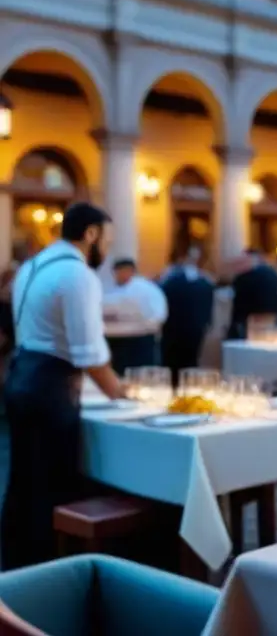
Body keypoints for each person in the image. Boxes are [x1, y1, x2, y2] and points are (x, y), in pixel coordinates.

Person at [1, 202, 125, 570]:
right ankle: (53, 568)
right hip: (51, 389)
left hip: (21, 377)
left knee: (24, 478)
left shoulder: (32, 265)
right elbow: (88, 353)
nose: (108, 249)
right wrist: (120, 393)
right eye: (108, 239)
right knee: (53, 483)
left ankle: (17, 560)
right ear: (91, 234)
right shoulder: (79, 275)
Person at [160, 246, 215, 388]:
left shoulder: (169, 279)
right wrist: (207, 322)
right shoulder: (205, 281)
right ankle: (188, 388)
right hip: (195, 327)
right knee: (190, 360)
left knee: (173, 361)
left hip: (173, 327)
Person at [103, 258, 168, 374]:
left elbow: (158, 316)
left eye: (125, 271)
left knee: (139, 376)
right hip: (113, 341)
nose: (121, 274)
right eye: (118, 271)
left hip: (139, 341)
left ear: (132, 271)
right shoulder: (107, 289)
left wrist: (139, 323)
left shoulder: (147, 289)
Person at [228, 249, 277, 339]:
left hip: (251, 319)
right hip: (271, 316)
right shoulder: (273, 274)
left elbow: (239, 302)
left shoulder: (244, 277)